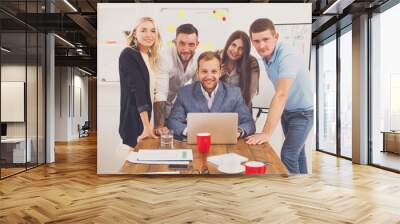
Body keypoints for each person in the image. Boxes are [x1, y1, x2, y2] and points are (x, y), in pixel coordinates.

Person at [246, 18, 314, 174]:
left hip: (302, 114)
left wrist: (266, 133)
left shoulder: (286, 56)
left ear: (276, 36)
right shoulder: (266, 56)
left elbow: (281, 94)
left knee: (288, 155)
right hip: (287, 112)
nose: (261, 45)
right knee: (298, 155)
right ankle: (301, 191)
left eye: (266, 39)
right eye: (257, 41)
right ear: (252, 41)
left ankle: (291, 195)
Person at [167, 51, 255, 139]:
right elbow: (173, 121)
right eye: (204, 71)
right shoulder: (185, 92)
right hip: (196, 143)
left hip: (225, 144)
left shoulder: (234, 93)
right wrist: (189, 132)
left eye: (214, 71)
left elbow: (249, 123)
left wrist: (238, 131)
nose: (209, 76)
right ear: (197, 73)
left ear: (220, 72)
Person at [118, 17, 164, 148]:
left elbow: (151, 91)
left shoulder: (149, 57)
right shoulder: (129, 54)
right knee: (135, 165)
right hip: (136, 121)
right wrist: (147, 126)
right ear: (134, 34)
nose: (149, 34)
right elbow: (137, 90)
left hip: (148, 119)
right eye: (143, 30)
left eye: (153, 31)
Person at [153, 24, 201, 134]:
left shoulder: (198, 59)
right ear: (175, 42)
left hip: (172, 106)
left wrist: (195, 119)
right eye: (182, 43)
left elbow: (197, 90)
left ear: (197, 45)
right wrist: (159, 125)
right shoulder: (165, 57)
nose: (186, 49)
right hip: (155, 106)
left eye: (191, 44)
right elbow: (160, 93)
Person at [218, 30, 260, 108]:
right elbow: (202, 87)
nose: (235, 51)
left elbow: (250, 93)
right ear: (228, 44)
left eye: (241, 48)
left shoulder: (251, 63)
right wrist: (216, 77)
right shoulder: (216, 59)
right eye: (233, 45)